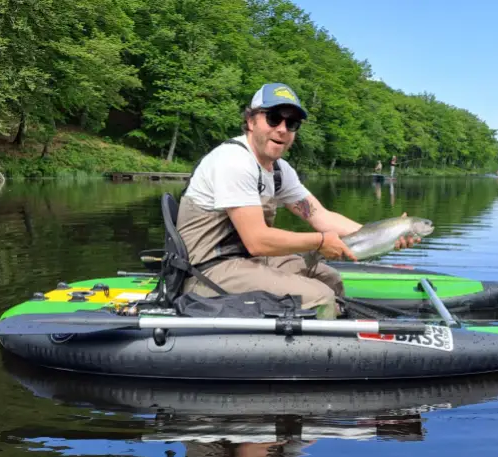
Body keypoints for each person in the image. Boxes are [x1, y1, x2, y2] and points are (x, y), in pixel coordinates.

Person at [176, 83, 417, 319]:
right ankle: (318, 351)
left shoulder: (279, 170)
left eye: (291, 123)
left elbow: (322, 217)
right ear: (251, 122)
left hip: (245, 261)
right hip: (206, 271)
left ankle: (333, 332)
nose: (282, 129)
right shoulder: (234, 162)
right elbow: (257, 241)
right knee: (319, 297)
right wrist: (320, 242)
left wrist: (387, 233)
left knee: (330, 279)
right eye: (273, 118)